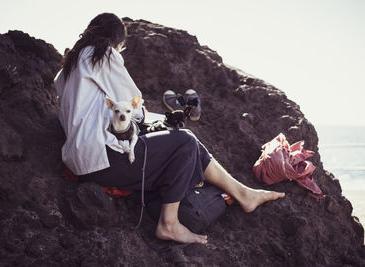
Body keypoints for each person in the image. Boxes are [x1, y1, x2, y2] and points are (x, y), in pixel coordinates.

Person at [54, 12, 285, 244]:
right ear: (115, 41)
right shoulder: (102, 54)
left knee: (183, 141)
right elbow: (134, 106)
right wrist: (159, 119)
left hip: (80, 163)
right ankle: (170, 224)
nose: (120, 51)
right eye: (121, 47)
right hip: (104, 159)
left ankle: (243, 193)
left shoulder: (65, 72)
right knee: (184, 140)